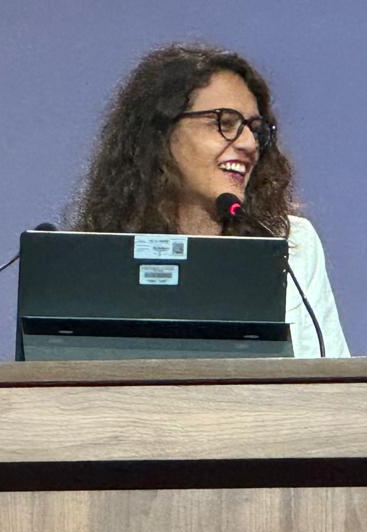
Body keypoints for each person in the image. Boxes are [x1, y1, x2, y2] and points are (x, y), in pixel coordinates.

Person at [72, 44, 350, 358]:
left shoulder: (290, 245)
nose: (248, 144)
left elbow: (332, 381)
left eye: (256, 130)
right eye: (224, 122)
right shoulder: (98, 260)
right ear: (160, 135)